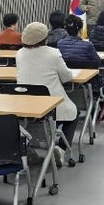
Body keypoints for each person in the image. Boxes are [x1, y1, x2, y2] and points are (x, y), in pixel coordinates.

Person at [16, 22, 78, 168]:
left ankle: (29, 149)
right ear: (45, 38)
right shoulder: (53, 53)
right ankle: (60, 149)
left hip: (26, 104)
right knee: (73, 114)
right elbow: (66, 77)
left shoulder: (19, 54)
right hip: (52, 104)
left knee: (33, 123)